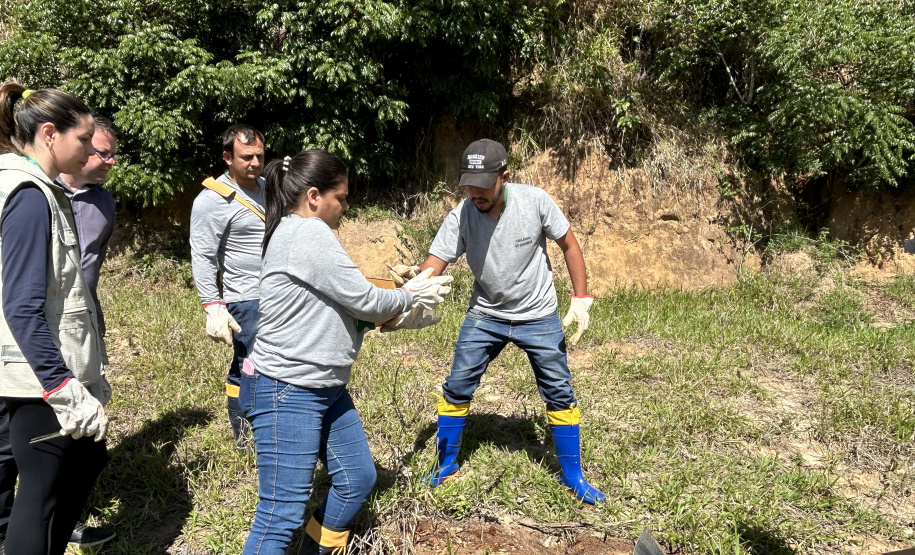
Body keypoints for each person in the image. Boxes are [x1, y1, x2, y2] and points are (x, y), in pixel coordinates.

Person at [241, 150, 452, 555]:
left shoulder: (296, 231)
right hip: (290, 387)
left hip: (325, 385)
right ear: (315, 196)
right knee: (280, 513)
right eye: (343, 197)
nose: (347, 206)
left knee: (356, 477)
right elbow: (363, 299)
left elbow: (344, 303)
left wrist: (397, 306)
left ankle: (316, 550)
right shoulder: (307, 232)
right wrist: (408, 296)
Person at [406, 138, 605, 504]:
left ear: (504, 177)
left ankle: (573, 476)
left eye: (483, 184)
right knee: (457, 384)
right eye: (468, 183)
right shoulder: (463, 213)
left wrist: (580, 299)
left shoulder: (535, 202)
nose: (474, 192)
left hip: (538, 313)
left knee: (559, 390)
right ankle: (445, 465)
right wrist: (415, 281)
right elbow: (435, 262)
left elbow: (569, 245)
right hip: (486, 314)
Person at [0, 83, 111, 555]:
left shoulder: (36, 189)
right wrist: (62, 387)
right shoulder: (28, 196)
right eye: (84, 140)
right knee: (41, 493)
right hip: (38, 378)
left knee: (86, 460)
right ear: (49, 134)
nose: (90, 151)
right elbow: (21, 304)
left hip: (33, 371)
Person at [190, 124, 266, 447]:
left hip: (277, 295)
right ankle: (245, 435)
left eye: (260, 156)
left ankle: (266, 426)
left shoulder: (268, 187)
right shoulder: (213, 200)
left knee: (269, 366)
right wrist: (213, 305)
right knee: (247, 366)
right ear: (227, 158)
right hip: (245, 300)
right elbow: (203, 255)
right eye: (246, 157)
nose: (254, 163)